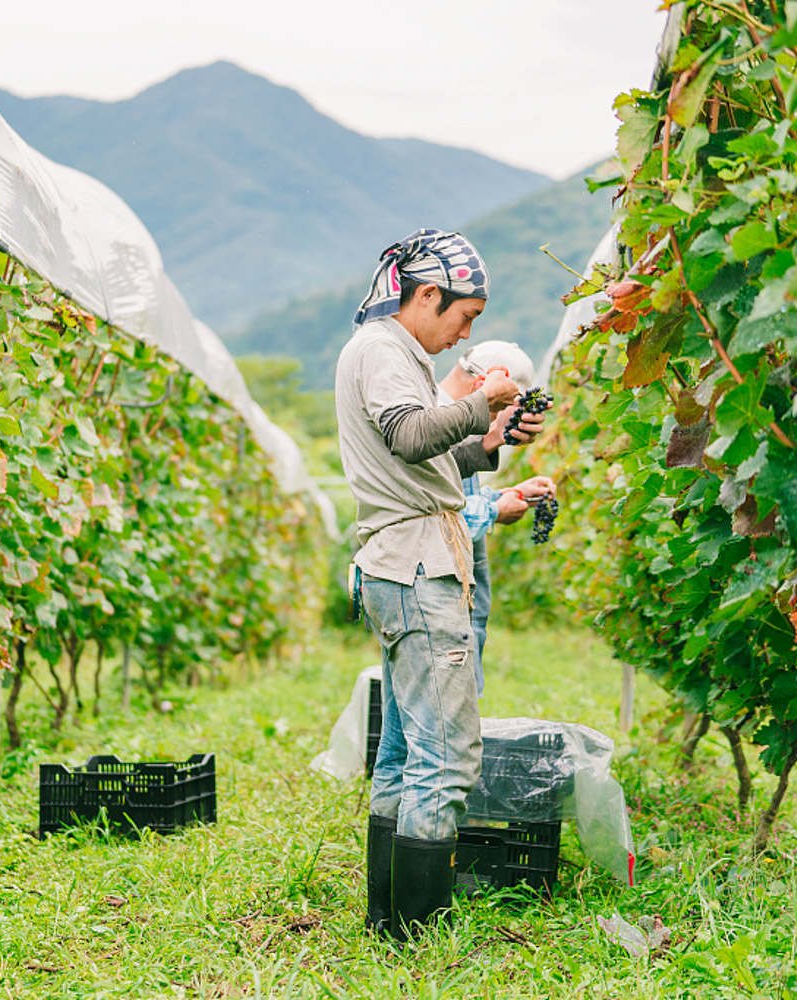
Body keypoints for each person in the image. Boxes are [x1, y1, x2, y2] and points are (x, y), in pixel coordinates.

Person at [335, 229, 519, 940]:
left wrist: (491, 437)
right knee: (447, 753)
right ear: (427, 294)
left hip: (404, 562)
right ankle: (417, 931)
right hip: (417, 567)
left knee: (409, 749)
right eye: (464, 317)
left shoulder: (397, 355)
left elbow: (427, 457)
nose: (464, 333)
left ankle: (390, 917)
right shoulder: (383, 350)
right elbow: (412, 436)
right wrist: (481, 401)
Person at [439, 342, 553, 698]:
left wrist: (505, 494)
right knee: (449, 716)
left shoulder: (455, 422)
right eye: (507, 406)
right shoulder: (437, 422)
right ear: (485, 386)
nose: (507, 416)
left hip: (463, 600)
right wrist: (494, 510)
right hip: (444, 601)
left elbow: (455, 495)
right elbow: (436, 517)